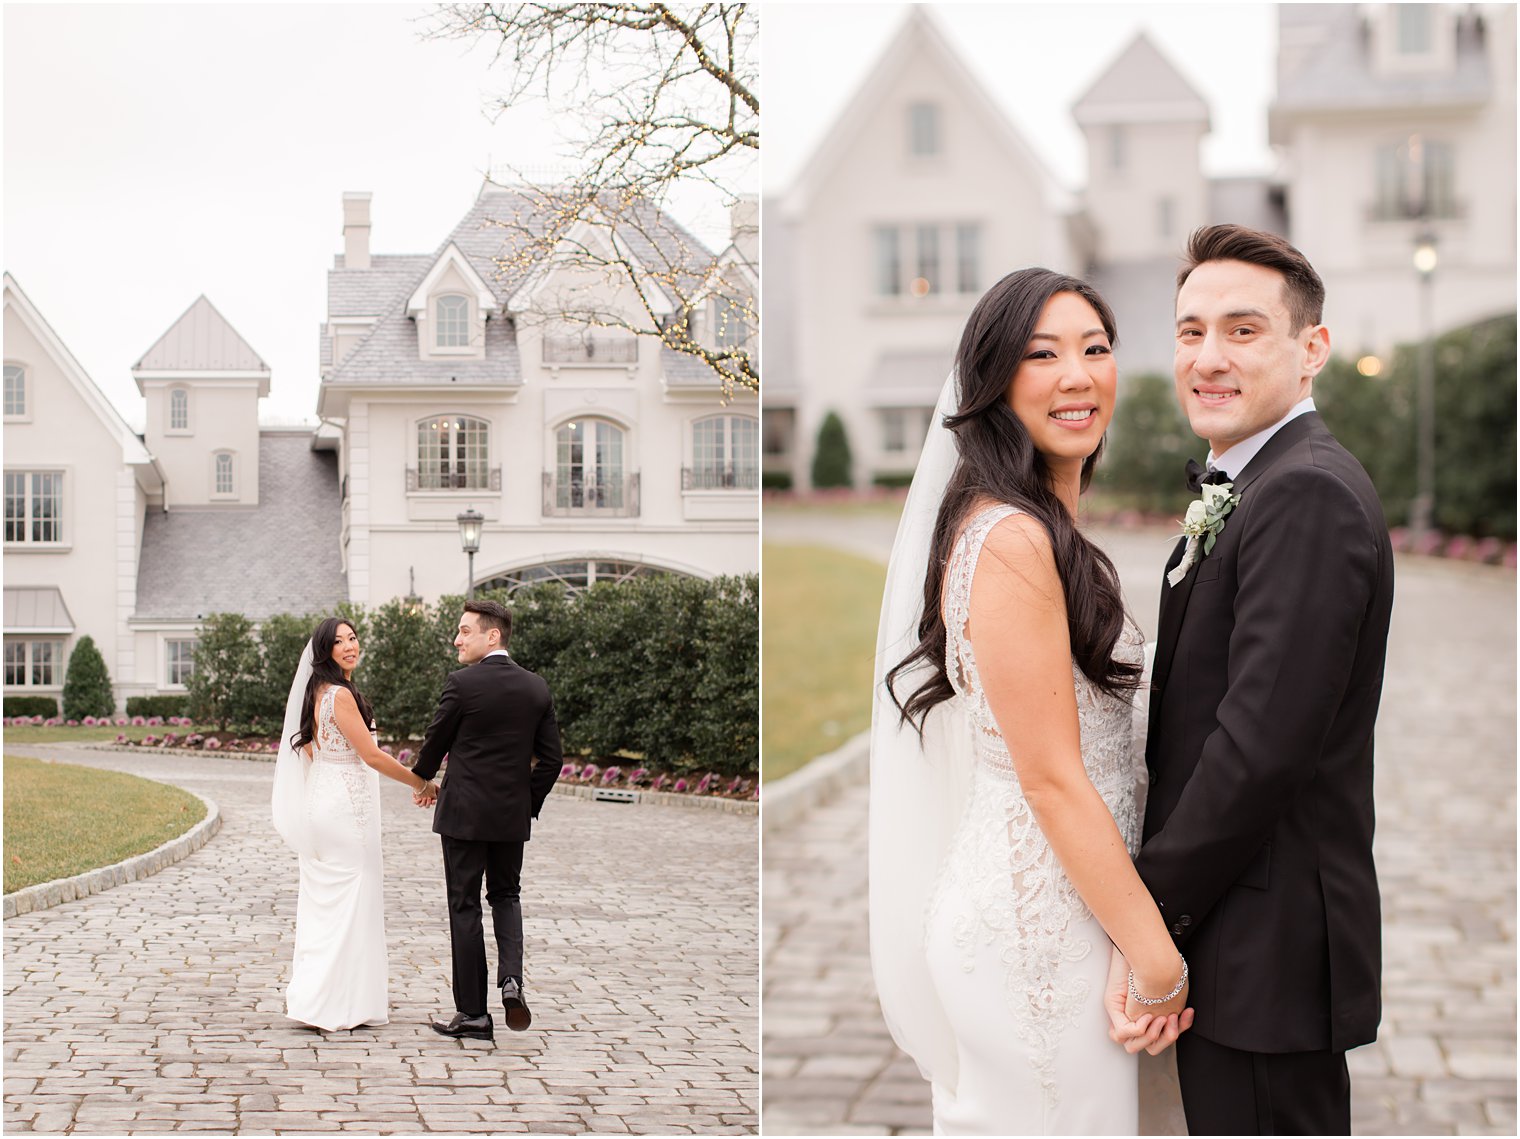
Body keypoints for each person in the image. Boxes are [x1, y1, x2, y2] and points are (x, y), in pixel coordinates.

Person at [871, 267, 1193, 1135]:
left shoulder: (1039, 525)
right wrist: (1157, 957)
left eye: (1096, 348)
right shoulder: (1011, 539)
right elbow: (1050, 776)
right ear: (994, 382)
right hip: (1036, 931)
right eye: (1042, 354)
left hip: (1076, 906)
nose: (1078, 376)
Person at [1132, 224, 1394, 1134]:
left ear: (1311, 349)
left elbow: (1258, 751)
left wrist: (1143, 917)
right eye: (1189, 330)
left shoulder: (1305, 492)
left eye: (1243, 330)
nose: (1208, 357)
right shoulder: (1260, 480)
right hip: (1246, 941)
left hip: (1263, 953)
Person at [271, 616, 440, 1031]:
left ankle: (322, 997)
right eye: (339, 641)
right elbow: (372, 756)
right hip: (346, 808)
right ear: (325, 650)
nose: (349, 646)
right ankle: (338, 1003)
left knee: (328, 902)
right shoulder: (340, 696)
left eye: (353, 637)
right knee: (353, 898)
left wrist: (330, 781)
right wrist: (422, 782)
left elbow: (310, 750)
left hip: (323, 801)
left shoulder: (316, 693)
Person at [413, 599, 563, 1042]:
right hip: (509, 818)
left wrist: (421, 781)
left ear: (491, 635)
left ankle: (474, 1014)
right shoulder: (537, 688)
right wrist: (524, 803)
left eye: (464, 631)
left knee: (465, 905)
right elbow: (553, 761)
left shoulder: (462, 684)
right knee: (506, 895)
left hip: (463, 815)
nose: (456, 640)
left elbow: (433, 745)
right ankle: (511, 980)